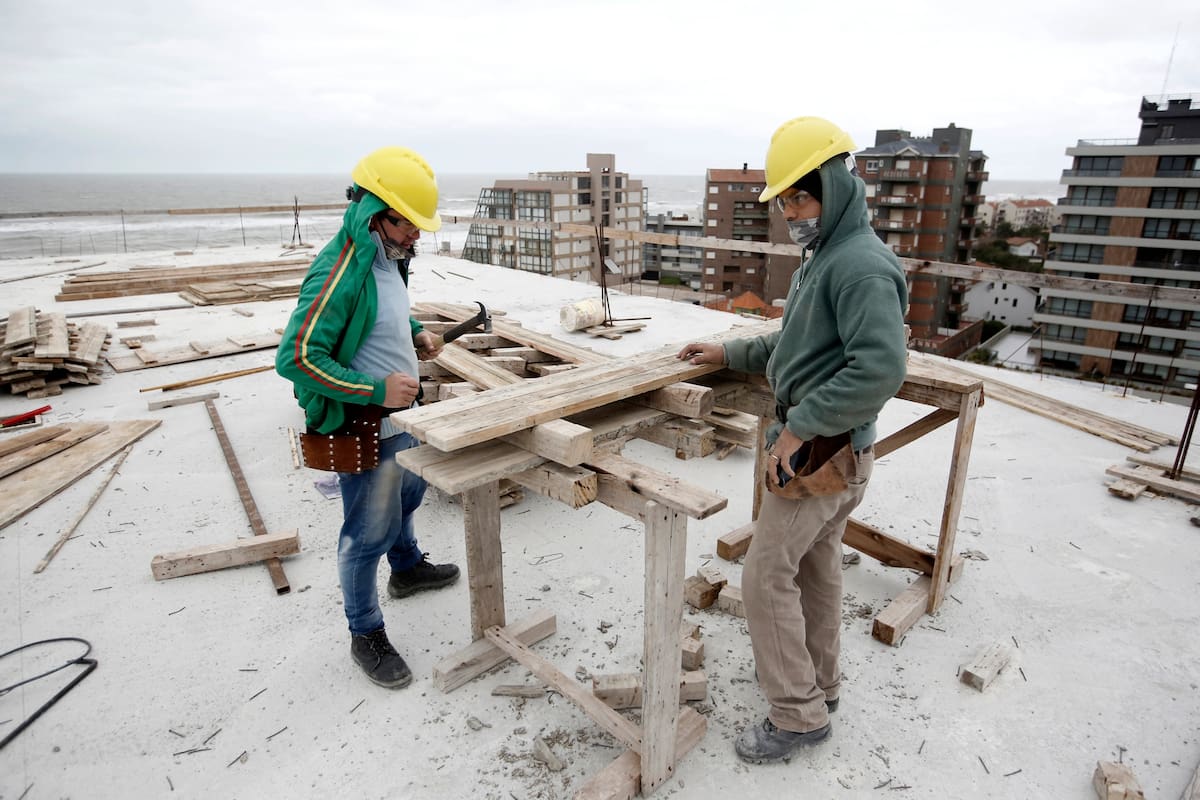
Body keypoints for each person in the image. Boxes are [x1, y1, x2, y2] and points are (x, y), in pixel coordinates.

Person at [678, 116, 908, 763]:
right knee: (815, 568)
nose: (791, 212)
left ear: (834, 188)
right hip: (832, 451)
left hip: (824, 453)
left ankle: (798, 716)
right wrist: (727, 348)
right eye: (784, 201)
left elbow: (881, 368)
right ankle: (820, 685)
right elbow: (792, 344)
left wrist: (800, 428)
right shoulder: (827, 257)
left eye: (800, 198)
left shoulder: (859, 266)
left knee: (763, 576)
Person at [277, 146, 460, 689]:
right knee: (364, 534)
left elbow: (386, 315)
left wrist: (415, 332)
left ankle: (405, 569)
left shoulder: (384, 261)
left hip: (402, 421)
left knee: (409, 496)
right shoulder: (338, 271)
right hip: (365, 427)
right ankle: (365, 632)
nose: (416, 236)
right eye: (407, 224)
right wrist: (375, 389)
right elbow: (297, 357)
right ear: (374, 211)